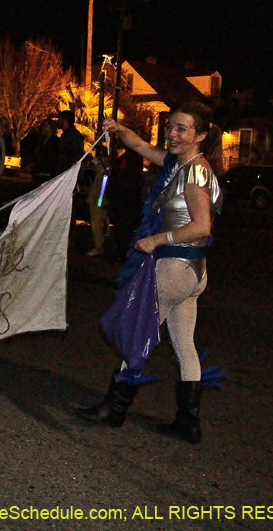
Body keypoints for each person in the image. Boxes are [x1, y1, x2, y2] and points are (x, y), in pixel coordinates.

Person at [76, 100, 223, 444]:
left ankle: (114, 409)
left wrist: (157, 239)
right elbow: (141, 146)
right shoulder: (179, 163)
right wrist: (118, 129)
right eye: (170, 126)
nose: (172, 133)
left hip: (175, 267)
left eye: (182, 128)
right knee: (184, 345)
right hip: (190, 271)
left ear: (200, 135)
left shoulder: (195, 171)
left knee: (138, 333)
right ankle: (189, 423)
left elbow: (202, 226)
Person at [84, 145, 111, 256]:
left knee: (97, 221)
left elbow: (103, 181)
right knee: (100, 220)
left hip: (100, 198)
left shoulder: (105, 165)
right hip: (98, 197)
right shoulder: (98, 163)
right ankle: (101, 243)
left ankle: (99, 246)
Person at [55, 110, 84, 175]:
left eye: (60, 118)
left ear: (64, 120)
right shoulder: (68, 135)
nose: (58, 121)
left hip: (67, 172)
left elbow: (74, 154)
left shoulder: (71, 136)